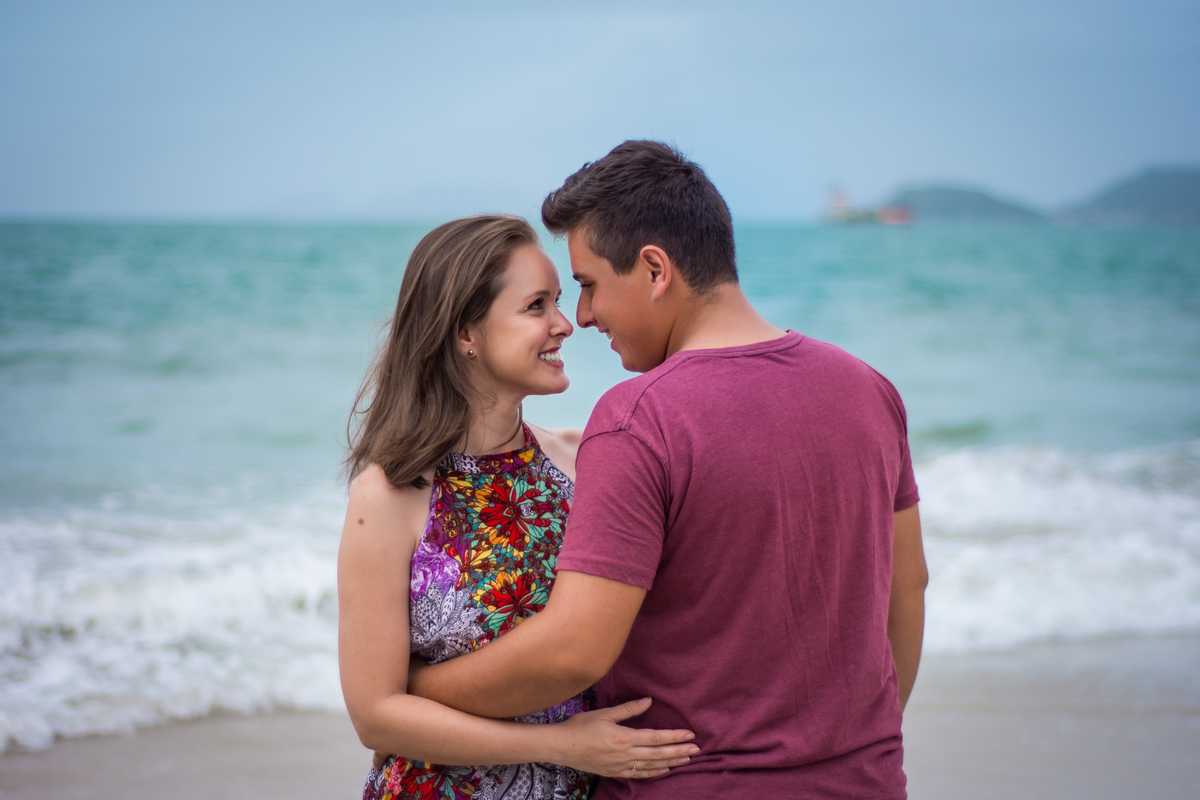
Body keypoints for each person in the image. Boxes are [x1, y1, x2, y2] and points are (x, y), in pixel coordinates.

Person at [406, 142, 929, 799]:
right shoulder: (869, 391)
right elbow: (906, 593)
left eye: (591, 285)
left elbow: (574, 651)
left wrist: (419, 689)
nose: (585, 316)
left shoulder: (637, 419)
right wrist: (853, 748)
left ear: (655, 269)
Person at [337, 214, 699, 800]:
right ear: (465, 333)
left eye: (560, 301)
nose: (565, 324)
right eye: (537, 307)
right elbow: (375, 716)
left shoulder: (588, 460)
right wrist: (562, 746)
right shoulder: (390, 493)